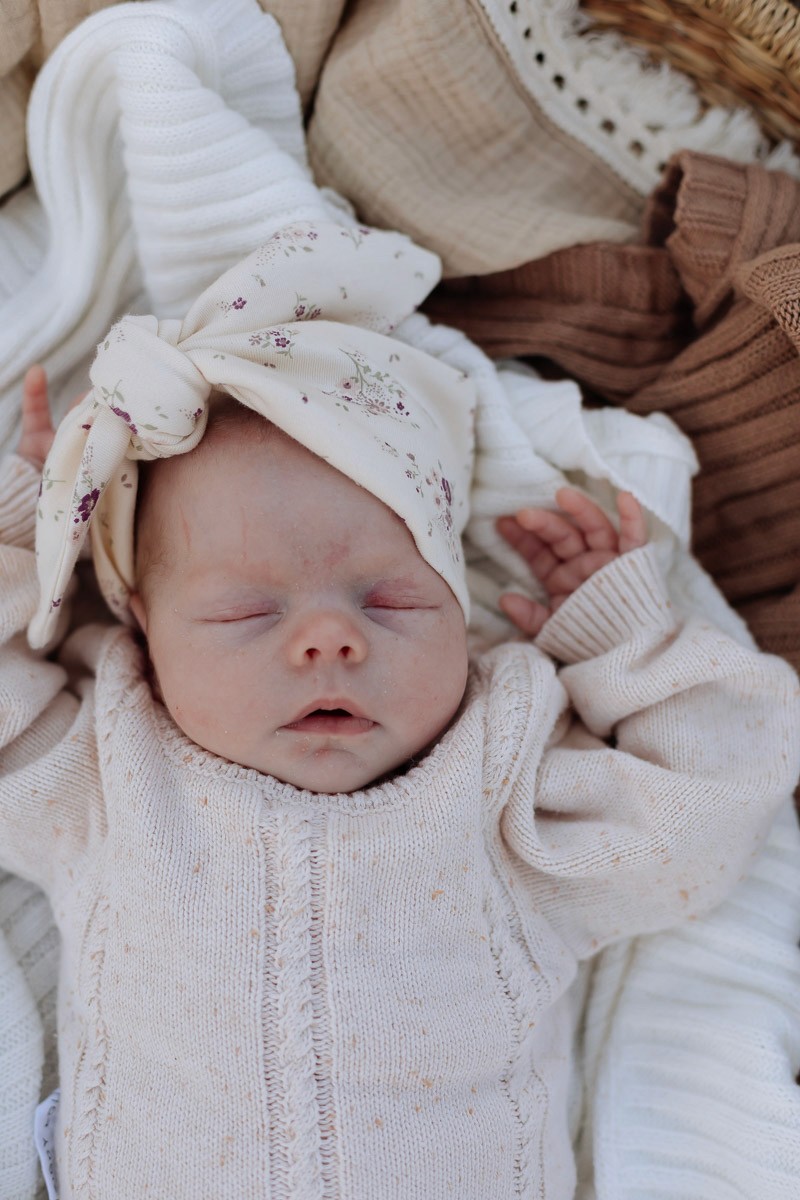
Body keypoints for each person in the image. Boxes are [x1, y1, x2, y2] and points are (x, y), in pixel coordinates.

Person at [3, 221, 799, 1200]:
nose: (327, 640)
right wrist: (21, 539)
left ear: (458, 613)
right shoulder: (105, 782)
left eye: (392, 602)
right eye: (245, 611)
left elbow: (715, 802)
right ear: (140, 626)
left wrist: (619, 639)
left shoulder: (503, 796)